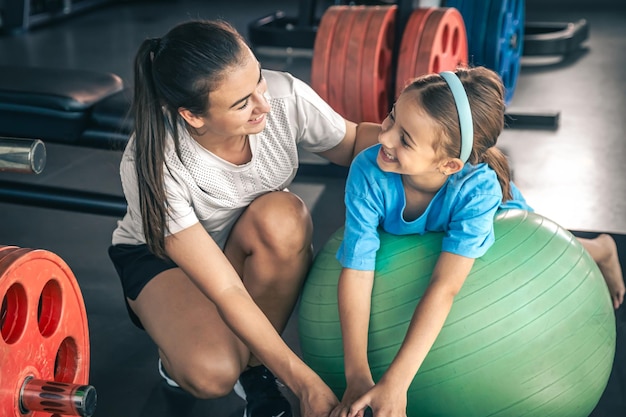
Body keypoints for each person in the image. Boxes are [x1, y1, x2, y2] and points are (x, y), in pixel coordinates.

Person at [107, 19, 380, 417]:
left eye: (258, 81)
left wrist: (436, 145)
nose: (264, 105)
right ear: (193, 116)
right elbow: (228, 290)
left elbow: (356, 142)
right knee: (211, 375)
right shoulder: (154, 161)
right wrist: (304, 383)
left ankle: (254, 370)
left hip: (247, 238)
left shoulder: (284, 96)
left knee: (285, 216)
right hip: (166, 263)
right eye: (241, 104)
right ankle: (180, 348)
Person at [331, 66, 625, 417]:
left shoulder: (479, 190)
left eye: (404, 139)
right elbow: (358, 268)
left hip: (496, 213)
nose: (384, 138)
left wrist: (397, 383)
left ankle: (599, 249)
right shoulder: (368, 170)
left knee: (551, 251)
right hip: (440, 212)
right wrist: (358, 375)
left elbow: (444, 287)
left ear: (450, 165)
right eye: (392, 116)